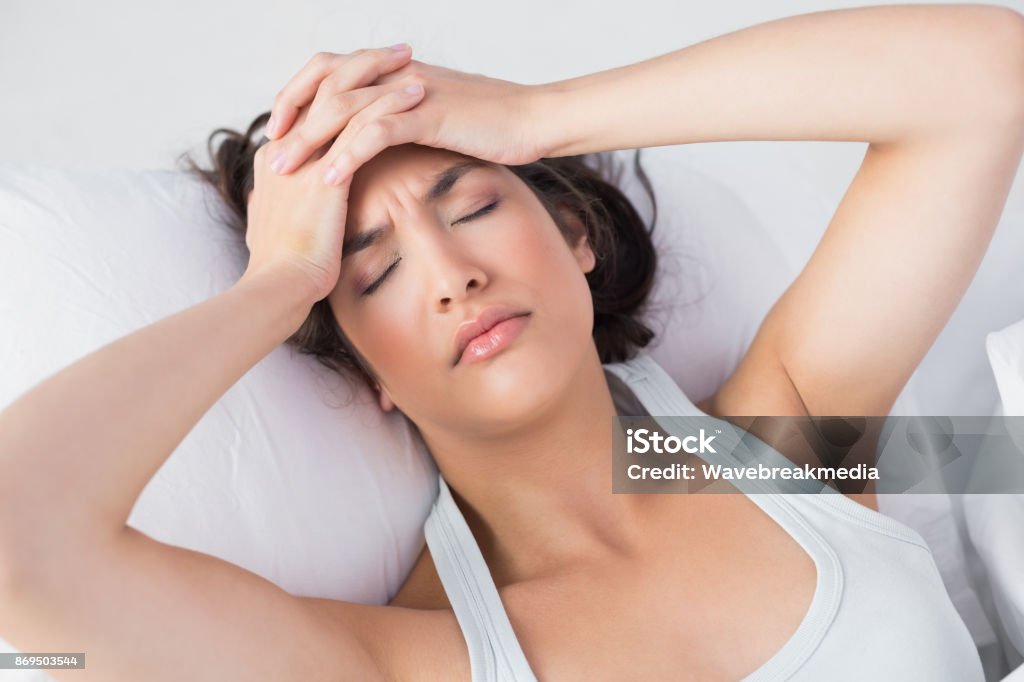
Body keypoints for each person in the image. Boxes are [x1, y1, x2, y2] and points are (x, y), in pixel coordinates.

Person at [1, 3, 1022, 680]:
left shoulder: (783, 443)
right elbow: (22, 541)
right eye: (374, 271)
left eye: (474, 203)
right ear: (373, 376)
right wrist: (277, 286)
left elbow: (986, 77)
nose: (452, 276)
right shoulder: (416, 658)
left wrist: (541, 113)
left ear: (574, 236)